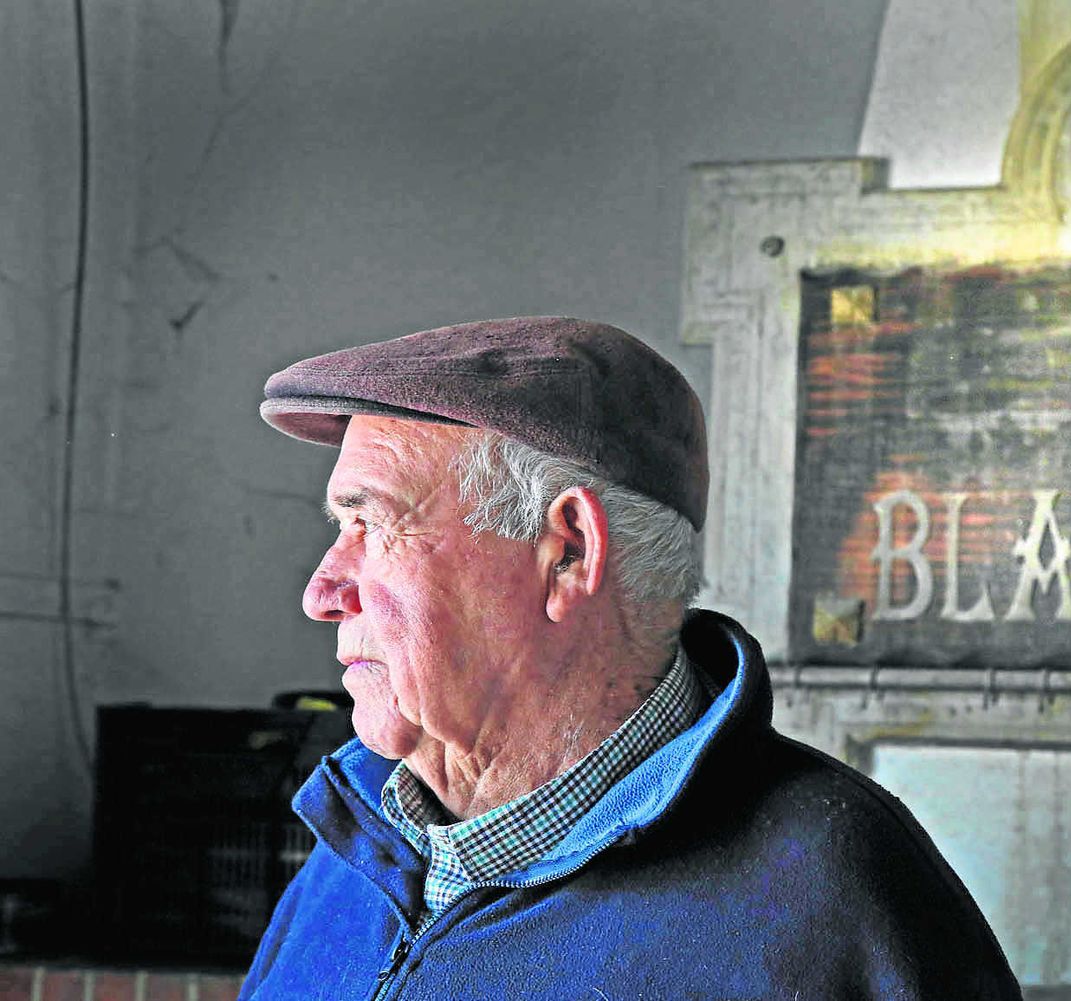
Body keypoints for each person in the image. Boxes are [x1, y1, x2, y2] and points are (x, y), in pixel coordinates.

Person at [242, 316, 1022, 1000]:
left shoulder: (835, 892)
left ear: (569, 553)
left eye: (370, 526)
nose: (322, 590)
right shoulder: (357, 845)